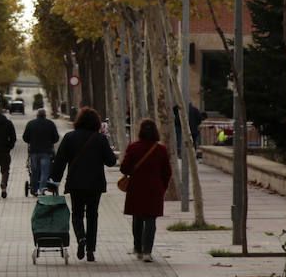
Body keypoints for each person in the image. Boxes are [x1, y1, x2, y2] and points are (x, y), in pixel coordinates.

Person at [50, 106, 117, 262]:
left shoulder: (69, 137)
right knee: (93, 215)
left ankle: (81, 238)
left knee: (77, 214)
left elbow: (60, 161)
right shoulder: (100, 139)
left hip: (76, 183)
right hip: (95, 184)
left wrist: (53, 181)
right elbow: (111, 161)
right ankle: (91, 250)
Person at [120, 118, 174, 262]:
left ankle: (137, 248)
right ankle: (147, 252)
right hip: (154, 189)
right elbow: (167, 172)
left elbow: (124, 168)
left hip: (136, 188)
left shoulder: (133, 147)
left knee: (137, 218)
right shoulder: (161, 150)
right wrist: (163, 187)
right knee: (150, 220)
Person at [22, 106, 60, 195]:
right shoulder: (50, 124)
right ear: (45, 115)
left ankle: (34, 189)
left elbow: (25, 137)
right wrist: (50, 142)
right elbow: (56, 138)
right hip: (46, 152)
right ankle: (42, 189)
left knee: (34, 171)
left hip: (34, 152)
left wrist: (31, 141)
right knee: (45, 172)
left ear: (37, 115)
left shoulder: (31, 124)